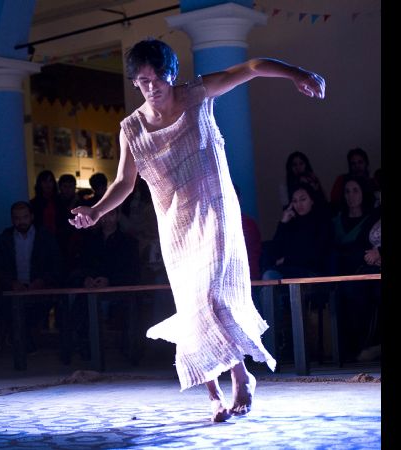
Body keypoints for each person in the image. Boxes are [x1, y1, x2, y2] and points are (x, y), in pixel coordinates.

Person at [69, 38, 325, 422]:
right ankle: (213, 393)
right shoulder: (132, 129)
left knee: (211, 295)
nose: (152, 87)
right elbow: (124, 182)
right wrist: (95, 210)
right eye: (143, 81)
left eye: (158, 78)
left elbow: (250, 68)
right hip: (175, 225)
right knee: (192, 307)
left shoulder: (196, 95)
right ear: (135, 82)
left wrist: (297, 74)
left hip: (216, 211)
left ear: (172, 74)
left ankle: (240, 376)